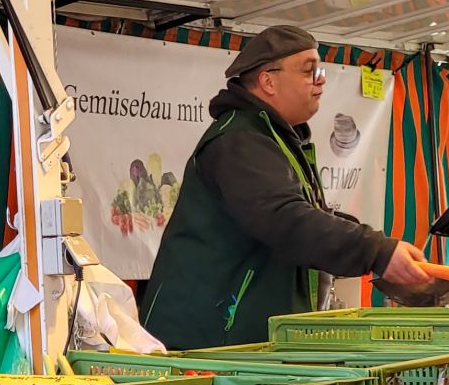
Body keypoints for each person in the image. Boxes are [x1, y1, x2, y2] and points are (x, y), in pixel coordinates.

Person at [139, 25, 431, 349]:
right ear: (268, 80)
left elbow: (307, 214)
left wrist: (381, 249)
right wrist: (375, 252)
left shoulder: (271, 136)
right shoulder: (238, 140)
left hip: (237, 341)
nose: (321, 79)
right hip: (208, 343)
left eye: (321, 70)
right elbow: (285, 218)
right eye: (309, 71)